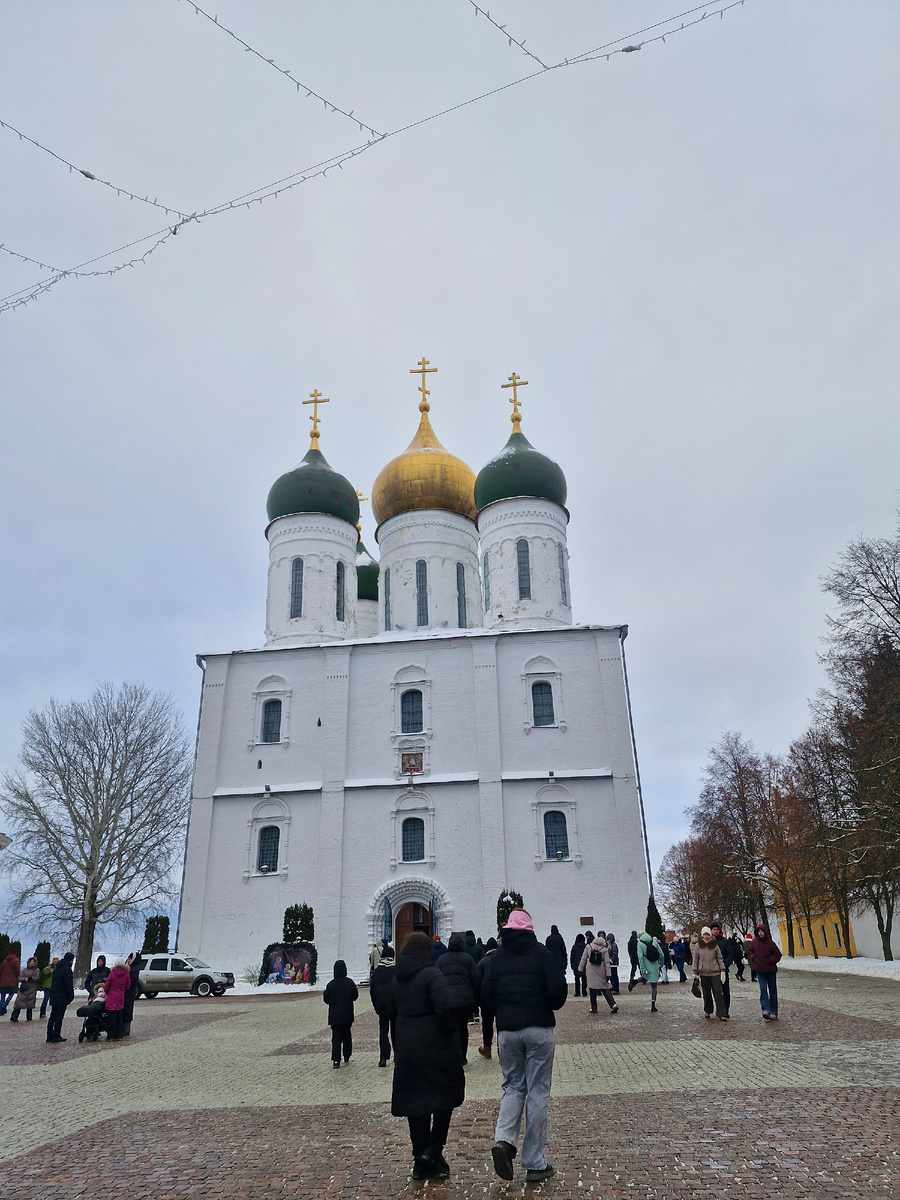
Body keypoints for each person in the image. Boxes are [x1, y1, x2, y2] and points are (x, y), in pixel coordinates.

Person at [481, 909, 567, 1184]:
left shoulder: (496, 959)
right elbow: (557, 996)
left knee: (513, 1087)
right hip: (538, 1030)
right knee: (538, 1092)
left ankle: (504, 1141)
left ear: (506, 930)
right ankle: (534, 1162)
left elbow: (486, 997)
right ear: (529, 930)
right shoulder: (542, 954)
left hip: (508, 1031)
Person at [389, 931, 464, 1181]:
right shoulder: (432, 973)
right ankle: (433, 1150)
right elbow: (444, 1008)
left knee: (416, 1105)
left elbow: (390, 1011)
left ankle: (420, 1157)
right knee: (446, 1097)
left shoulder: (397, 978)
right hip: (434, 1048)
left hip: (407, 1047)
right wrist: (449, 1036)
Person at [438, 934, 480, 1064]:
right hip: (464, 999)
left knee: (450, 1028)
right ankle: (462, 1057)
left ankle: (451, 1056)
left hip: (448, 999)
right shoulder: (467, 959)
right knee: (463, 1028)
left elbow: (436, 979)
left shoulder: (442, 959)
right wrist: (475, 1000)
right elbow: (476, 979)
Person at [323, 960, 358, 1068]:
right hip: (347, 1014)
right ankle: (347, 1055)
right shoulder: (349, 982)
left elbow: (326, 999)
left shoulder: (331, 985)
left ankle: (336, 1060)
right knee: (347, 1035)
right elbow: (355, 995)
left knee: (336, 1037)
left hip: (335, 1015)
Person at [746, 923, 782, 1020]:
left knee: (772, 990)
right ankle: (765, 1009)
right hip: (759, 969)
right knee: (763, 989)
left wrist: (770, 960)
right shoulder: (754, 942)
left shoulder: (770, 943)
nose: (761, 933)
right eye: (759, 931)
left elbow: (778, 955)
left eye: (762, 931)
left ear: (765, 932)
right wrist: (754, 958)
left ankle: (774, 1011)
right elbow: (750, 952)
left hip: (770, 970)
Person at [370, 944, 396, 1067]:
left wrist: (376, 1005)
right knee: (395, 1030)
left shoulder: (377, 972)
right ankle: (398, 1055)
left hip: (381, 1005)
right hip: (395, 1005)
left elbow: (372, 990)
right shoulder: (396, 970)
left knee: (383, 1030)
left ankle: (383, 1057)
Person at [578, 932, 617, 1014]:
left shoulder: (588, 947)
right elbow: (607, 963)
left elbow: (583, 959)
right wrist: (608, 974)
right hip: (601, 970)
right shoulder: (604, 949)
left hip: (590, 970)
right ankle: (613, 1004)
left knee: (592, 989)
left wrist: (580, 969)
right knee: (604, 987)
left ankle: (594, 1008)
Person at [693, 926, 726, 1020]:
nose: (706, 937)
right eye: (705, 935)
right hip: (703, 973)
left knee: (718, 993)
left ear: (710, 935)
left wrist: (722, 970)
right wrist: (695, 972)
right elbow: (695, 959)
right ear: (702, 936)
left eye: (708, 935)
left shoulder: (715, 945)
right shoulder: (698, 946)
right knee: (706, 994)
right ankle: (708, 1010)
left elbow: (720, 959)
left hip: (715, 972)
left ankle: (721, 1013)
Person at [477, 936, 499, 1059]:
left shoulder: (482, 962)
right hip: (501, 996)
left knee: (487, 1023)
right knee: (501, 1023)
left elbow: (477, 981)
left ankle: (487, 1048)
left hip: (486, 998)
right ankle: (502, 1049)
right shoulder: (503, 960)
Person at [46, 951, 75, 1042]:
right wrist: (70, 996)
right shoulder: (67, 969)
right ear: (70, 960)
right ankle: (56, 1035)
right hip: (62, 996)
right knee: (59, 1017)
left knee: (53, 1016)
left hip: (54, 995)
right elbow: (68, 985)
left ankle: (49, 1035)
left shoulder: (57, 968)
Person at [103, 957, 131, 1040]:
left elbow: (107, 986)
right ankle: (119, 1035)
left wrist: (106, 992)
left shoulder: (112, 974)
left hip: (111, 996)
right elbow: (128, 986)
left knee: (111, 1017)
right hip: (120, 996)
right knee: (119, 1016)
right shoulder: (126, 974)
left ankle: (111, 1035)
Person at [710, 923, 734, 1016]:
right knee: (716, 991)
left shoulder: (724, 941)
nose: (715, 931)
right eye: (714, 929)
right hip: (713, 971)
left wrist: (724, 965)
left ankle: (726, 1010)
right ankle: (720, 1010)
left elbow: (730, 954)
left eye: (717, 929)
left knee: (726, 991)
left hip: (723, 970)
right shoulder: (709, 942)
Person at [636, 931, 662, 1012]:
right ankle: (653, 1005)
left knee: (645, 977)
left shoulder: (640, 944)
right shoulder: (654, 941)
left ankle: (635, 981)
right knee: (654, 986)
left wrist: (642, 968)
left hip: (646, 967)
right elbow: (661, 954)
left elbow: (640, 957)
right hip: (654, 967)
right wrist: (660, 964)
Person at [10, 956, 41, 1022]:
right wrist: (25, 979)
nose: (31, 963)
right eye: (30, 961)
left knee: (30, 1004)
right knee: (18, 1004)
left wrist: (30, 978)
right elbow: (20, 978)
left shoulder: (36, 970)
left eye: (33, 962)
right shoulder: (24, 970)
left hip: (31, 989)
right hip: (23, 988)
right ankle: (14, 1017)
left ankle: (29, 1017)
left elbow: (37, 977)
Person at [122, 952, 142, 1036]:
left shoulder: (134, 969)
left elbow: (132, 980)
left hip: (129, 992)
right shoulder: (129, 968)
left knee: (127, 1010)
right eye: (128, 959)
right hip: (125, 992)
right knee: (125, 1010)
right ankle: (124, 1029)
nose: (129, 960)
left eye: (130, 959)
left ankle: (126, 1030)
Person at [0, 946, 21, 1015]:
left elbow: (1, 971)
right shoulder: (16, 960)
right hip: (11, 981)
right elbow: (17, 970)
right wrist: (17, 976)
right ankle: (5, 1005)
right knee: (11, 994)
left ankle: (1, 1009)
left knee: (2, 996)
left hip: (3, 981)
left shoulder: (4, 961)